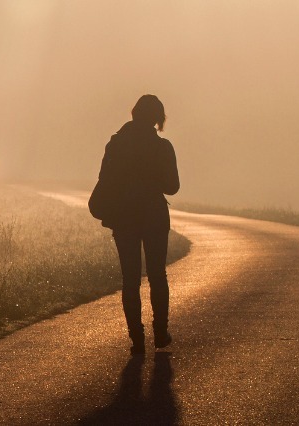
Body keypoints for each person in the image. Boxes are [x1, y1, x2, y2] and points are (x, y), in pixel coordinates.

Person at [89, 94, 180, 355]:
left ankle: (136, 338)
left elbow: (104, 179)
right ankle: (160, 332)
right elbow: (172, 187)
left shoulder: (116, 144)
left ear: (134, 114)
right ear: (157, 119)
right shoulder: (163, 147)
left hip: (124, 216)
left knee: (130, 279)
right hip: (154, 216)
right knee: (157, 275)